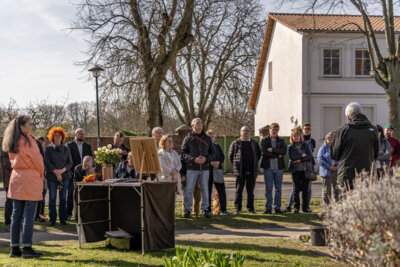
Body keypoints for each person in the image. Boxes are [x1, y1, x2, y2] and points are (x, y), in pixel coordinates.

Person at [2, 115, 44, 258]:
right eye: (30, 124)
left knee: (16, 216)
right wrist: (41, 174)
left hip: (16, 178)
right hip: (30, 179)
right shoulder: (28, 141)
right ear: (22, 127)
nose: (32, 126)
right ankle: (27, 248)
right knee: (28, 216)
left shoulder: (12, 141)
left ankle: (14, 248)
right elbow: (38, 161)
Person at [331, 102, 379, 190]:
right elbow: (376, 153)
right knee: (366, 202)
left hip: (347, 175)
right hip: (367, 174)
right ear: (360, 113)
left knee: (347, 202)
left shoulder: (342, 130)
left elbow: (334, 154)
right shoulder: (373, 129)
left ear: (348, 116)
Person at [181, 118, 214, 218]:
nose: (199, 123)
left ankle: (205, 209)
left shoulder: (207, 139)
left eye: (200, 122)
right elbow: (183, 154)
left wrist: (206, 159)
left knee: (205, 189)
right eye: (197, 122)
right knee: (189, 189)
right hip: (191, 168)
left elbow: (213, 153)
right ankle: (187, 210)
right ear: (192, 125)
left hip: (204, 168)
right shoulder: (187, 139)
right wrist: (193, 159)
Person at [229, 126, 261, 215]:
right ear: (240, 132)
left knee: (250, 191)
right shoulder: (235, 143)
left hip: (251, 171)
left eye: (247, 130)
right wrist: (237, 165)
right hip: (240, 171)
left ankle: (250, 208)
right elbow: (231, 156)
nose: (245, 132)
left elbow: (258, 155)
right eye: (243, 130)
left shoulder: (254, 143)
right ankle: (237, 209)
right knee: (238, 191)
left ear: (249, 132)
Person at [44, 127, 73, 226]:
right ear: (52, 137)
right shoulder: (48, 149)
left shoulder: (66, 149)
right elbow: (47, 162)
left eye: (59, 136)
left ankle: (63, 219)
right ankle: (52, 219)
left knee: (63, 198)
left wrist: (61, 171)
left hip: (64, 177)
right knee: (52, 198)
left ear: (62, 137)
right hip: (52, 177)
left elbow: (70, 163)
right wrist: (56, 172)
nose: (57, 137)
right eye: (55, 136)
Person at [66, 128, 93, 220]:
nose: (82, 135)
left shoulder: (88, 146)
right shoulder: (69, 145)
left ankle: (83, 214)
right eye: (80, 133)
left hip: (85, 174)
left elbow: (91, 159)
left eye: (83, 134)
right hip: (72, 174)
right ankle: (68, 213)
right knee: (71, 194)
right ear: (75, 135)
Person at [260, 123, 287, 214]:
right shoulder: (264, 140)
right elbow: (264, 153)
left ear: (278, 131)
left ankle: (277, 208)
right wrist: (277, 154)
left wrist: (273, 150)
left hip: (279, 168)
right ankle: (268, 208)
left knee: (278, 189)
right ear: (269, 130)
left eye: (276, 129)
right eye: (272, 129)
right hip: (268, 168)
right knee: (268, 188)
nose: (274, 131)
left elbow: (284, 151)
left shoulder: (281, 140)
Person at [287, 129, 313, 213]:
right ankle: (296, 208)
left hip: (305, 170)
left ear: (300, 136)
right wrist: (302, 156)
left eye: (297, 136)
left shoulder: (306, 145)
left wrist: (299, 159)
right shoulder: (290, 147)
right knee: (296, 189)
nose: (296, 137)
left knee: (305, 190)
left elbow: (310, 156)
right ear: (292, 137)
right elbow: (292, 158)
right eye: (294, 136)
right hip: (295, 170)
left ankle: (305, 208)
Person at [206, 130, 229, 215]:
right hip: (208, 171)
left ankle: (223, 210)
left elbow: (222, 156)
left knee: (221, 190)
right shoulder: (204, 147)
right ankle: (207, 210)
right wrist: (210, 163)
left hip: (218, 171)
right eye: (209, 136)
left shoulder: (217, 146)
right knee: (207, 191)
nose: (212, 138)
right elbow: (203, 158)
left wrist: (218, 162)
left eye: (212, 136)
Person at [317, 131, 339, 206]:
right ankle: (327, 208)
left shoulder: (337, 147)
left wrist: (337, 166)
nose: (330, 138)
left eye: (332, 137)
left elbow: (341, 158)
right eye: (329, 137)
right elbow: (320, 160)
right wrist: (329, 167)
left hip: (336, 171)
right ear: (326, 139)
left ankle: (336, 207)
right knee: (327, 191)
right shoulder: (322, 148)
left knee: (336, 190)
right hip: (327, 172)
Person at [34, 136, 47, 222]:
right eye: (40, 142)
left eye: (43, 142)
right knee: (36, 198)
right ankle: (35, 215)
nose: (41, 143)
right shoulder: (34, 152)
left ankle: (41, 214)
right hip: (36, 177)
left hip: (44, 178)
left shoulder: (45, 152)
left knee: (42, 197)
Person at [0, 146, 12, 232]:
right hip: (9, 180)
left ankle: (17, 222)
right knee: (9, 202)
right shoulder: (5, 150)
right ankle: (7, 222)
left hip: (18, 180)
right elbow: (6, 164)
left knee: (18, 202)